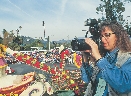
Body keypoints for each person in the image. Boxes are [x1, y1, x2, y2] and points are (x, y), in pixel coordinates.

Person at [80, 20, 131, 96]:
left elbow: (124, 85)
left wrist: (99, 58)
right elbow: (87, 79)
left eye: (107, 35)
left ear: (118, 36)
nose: (103, 40)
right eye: (101, 36)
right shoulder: (104, 57)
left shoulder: (127, 58)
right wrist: (85, 59)